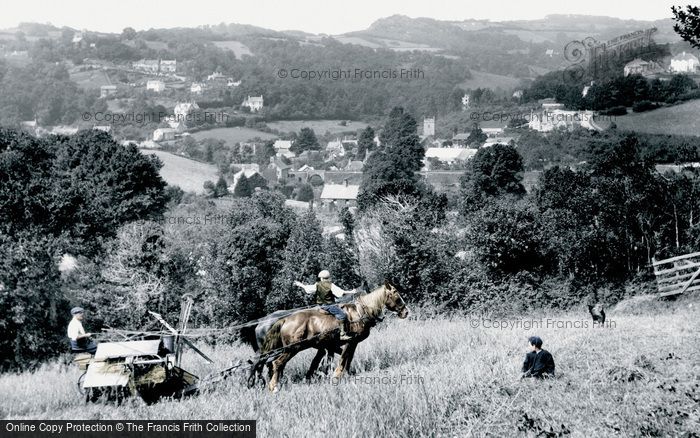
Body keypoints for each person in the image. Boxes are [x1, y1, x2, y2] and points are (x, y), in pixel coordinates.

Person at [294, 270, 357, 341]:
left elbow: (308, 289)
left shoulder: (317, 284)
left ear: (321, 278)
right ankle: (342, 334)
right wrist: (351, 292)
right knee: (343, 315)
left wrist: (300, 285)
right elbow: (341, 293)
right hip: (329, 306)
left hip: (321, 306)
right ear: (328, 278)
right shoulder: (331, 285)